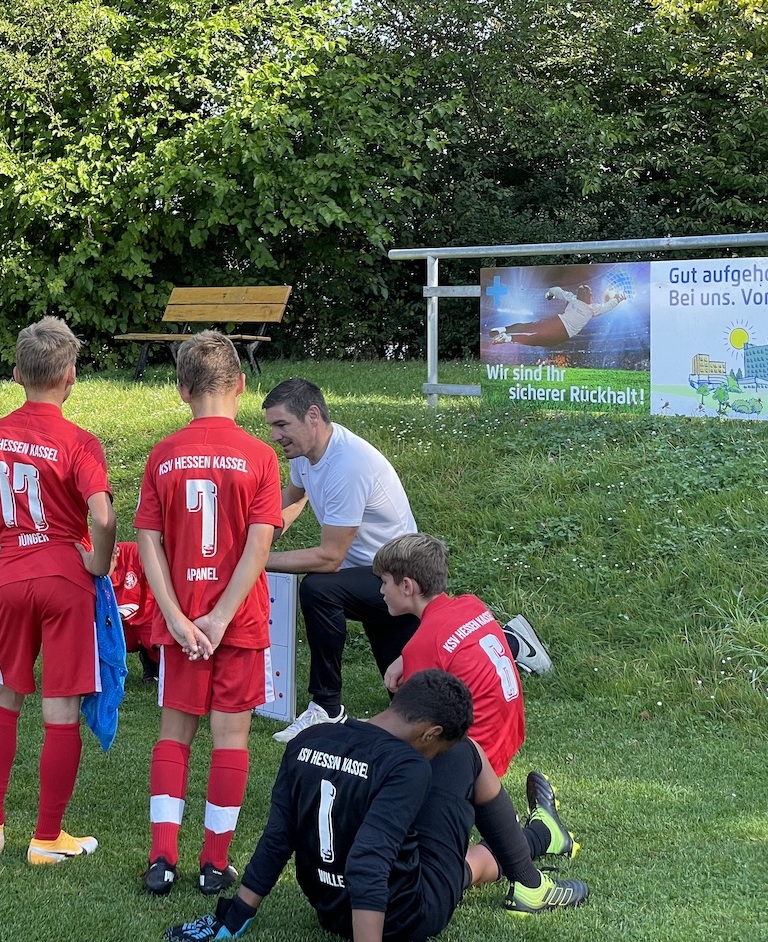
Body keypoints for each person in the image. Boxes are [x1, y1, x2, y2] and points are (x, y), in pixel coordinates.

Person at [163, 670, 589, 942]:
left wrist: (235, 916)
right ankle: (533, 875)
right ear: (430, 733)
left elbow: (278, 837)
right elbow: (369, 861)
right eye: (438, 746)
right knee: (467, 756)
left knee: (442, 849)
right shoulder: (409, 766)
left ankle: (543, 835)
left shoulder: (307, 740)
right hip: (405, 918)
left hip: (332, 910)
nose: (436, 756)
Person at [0, 316, 116, 866]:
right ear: (70, 375)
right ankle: (47, 837)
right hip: (65, 579)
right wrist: (98, 563)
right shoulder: (79, 442)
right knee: (61, 709)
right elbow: (103, 516)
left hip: (10, 579)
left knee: (6, 696)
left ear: (16, 373)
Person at [135, 330, 283, 896]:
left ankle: (162, 858)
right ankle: (215, 863)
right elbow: (259, 547)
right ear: (241, 385)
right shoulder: (260, 455)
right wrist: (220, 618)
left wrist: (176, 616)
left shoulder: (163, 453)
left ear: (181, 389)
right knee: (231, 739)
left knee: (174, 736)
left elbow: (148, 541)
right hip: (237, 622)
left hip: (182, 622)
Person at [260, 378, 419, 743]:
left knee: (319, 588)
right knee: (407, 703)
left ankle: (326, 707)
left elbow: (330, 558)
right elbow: (294, 497)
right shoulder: (308, 452)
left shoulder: (347, 464)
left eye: (281, 424)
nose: (274, 436)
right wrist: (258, 532)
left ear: (312, 416)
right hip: (371, 574)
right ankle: (508, 644)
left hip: (400, 578)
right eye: (272, 426)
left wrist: (257, 558)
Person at [373, 533, 525, 777]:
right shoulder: (472, 605)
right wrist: (404, 658)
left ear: (407, 586)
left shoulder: (424, 645)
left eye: (384, 582)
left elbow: (413, 728)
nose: (381, 590)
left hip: (471, 761)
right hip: (506, 739)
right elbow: (449, 642)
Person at [489, 284, 625, 347]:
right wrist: (618, 298)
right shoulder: (592, 309)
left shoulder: (572, 298)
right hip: (564, 333)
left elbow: (556, 290)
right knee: (534, 340)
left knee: (529, 326)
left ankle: (502, 329)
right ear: (590, 296)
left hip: (556, 322)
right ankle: (507, 338)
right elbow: (608, 306)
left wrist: (549, 295)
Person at [109, 541, 160, 682]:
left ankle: (153, 664)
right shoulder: (87, 566)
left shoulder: (136, 553)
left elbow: (163, 581)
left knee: (165, 643)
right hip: (118, 624)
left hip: (148, 617)